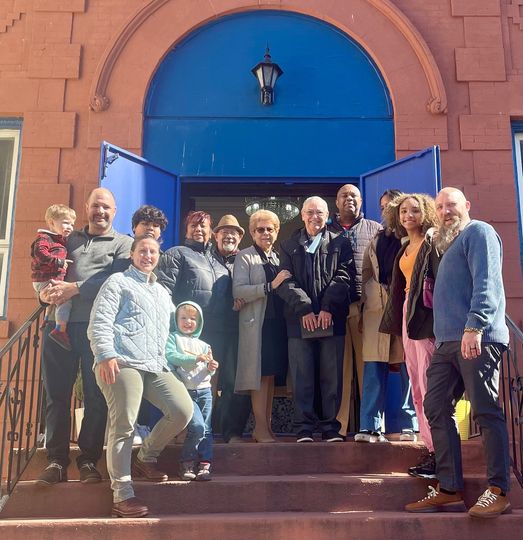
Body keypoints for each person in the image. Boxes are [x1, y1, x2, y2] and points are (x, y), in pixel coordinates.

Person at [406, 188, 511, 518]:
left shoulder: (479, 232)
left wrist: (475, 326)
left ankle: (498, 489)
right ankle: (449, 487)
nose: (445, 210)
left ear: (466, 206)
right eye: (439, 206)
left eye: (451, 204)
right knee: (435, 406)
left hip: (476, 336)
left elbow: (487, 282)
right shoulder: (443, 244)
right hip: (446, 341)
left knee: (484, 410)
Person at [88, 236, 193, 518]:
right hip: (121, 361)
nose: (148, 255)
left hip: (155, 365)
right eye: (142, 251)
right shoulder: (117, 283)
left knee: (182, 410)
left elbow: (176, 330)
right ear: (132, 254)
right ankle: (122, 495)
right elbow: (100, 321)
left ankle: (145, 458)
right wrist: (106, 354)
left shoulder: (161, 291)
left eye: (153, 251)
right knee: (124, 423)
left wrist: (196, 354)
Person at [37, 188, 133, 487]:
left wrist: (75, 287)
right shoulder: (67, 239)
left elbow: (115, 280)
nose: (100, 212)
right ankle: (56, 460)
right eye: (95, 206)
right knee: (56, 395)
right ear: (86, 208)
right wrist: (42, 294)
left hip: (97, 331)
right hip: (58, 327)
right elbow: (45, 266)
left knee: (96, 397)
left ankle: (89, 460)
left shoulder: (123, 244)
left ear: (114, 211)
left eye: (105, 207)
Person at [278, 197, 354, 442]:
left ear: (327, 215)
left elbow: (345, 276)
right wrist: (306, 309)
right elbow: (285, 281)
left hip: (332, 320)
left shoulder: (341, 243)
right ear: (302, 215)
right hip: (299, 321)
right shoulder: (288, 245)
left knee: (331, 376)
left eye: (319, 212)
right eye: (310, 212)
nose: (314, 217)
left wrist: (327, 308)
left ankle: (331, 427)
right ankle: (304, 428)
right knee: (302, 376)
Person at [380, 193, 438, 477]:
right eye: (403, 211)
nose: (408, 216)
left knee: (429, 384)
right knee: (414, 383)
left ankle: (440, 452)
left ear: (425, 213)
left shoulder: (433, 241)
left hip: (425, 317)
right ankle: (429, 447)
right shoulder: (404, 246)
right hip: (406, 315)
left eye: (415, 210)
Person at [355, 190, 418, 443]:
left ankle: (409, 425)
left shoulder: (412, 239)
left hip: (404, 311)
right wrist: (363, 308)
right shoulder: (376, 239)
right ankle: (370, 426)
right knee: (373, 368)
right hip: (376, 313)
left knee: (407, 370)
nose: (387, 211)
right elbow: (366, 274)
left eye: (393, 206)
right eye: (383, 207)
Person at [233, 210, 290, 443]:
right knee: (258, 376)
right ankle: (259, 427)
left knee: (269, 376)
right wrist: (269, 286)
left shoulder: (277, 257)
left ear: (276, 232)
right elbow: (239, 290)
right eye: (260, 229)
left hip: (277, 324)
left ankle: (265, 426)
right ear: (252, 233)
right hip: (257, 324)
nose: (265, 233)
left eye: (270, 229)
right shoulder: (245, 257)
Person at [328, 184, 381, 435]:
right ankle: (339, 427)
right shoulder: (325, 231)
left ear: (361, 201)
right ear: (336, 202)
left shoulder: (375, 229)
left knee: (368, 369)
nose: (349, 199)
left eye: (354, 196)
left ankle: (370, 426)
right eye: (344, 196)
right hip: (334, 310)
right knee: (338, 370)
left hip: (366, 308)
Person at [157, 211, 231, 357]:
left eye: (203, 226)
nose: (198, 229)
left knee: (212, 371)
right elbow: (164, 293)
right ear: (186, 231)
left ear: (210, 232)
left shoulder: (219, 263)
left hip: (217, 330)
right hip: (186, 330)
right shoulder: (176, 254)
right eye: (193, 225)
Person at [210, 215, 252, 443]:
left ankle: (232, 432)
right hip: (210, 330)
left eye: (234, 232)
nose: (229, 235)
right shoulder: (205, 259)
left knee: (235, 383)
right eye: (224, 231)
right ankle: (202, 431)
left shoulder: (246, 261)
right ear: (215, 235)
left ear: (240, 237)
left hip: (239, 330)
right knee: (204, 383)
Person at [166, 301, 218, 481]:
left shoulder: (204, 345)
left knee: (207, 429)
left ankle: (205, 464)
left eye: (193, 318)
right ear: (176, 319)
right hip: (186, 390)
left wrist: (212, 366)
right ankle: (187, 461)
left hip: (205, 390)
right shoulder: (173, 338)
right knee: (197, 426)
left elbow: (208, 368)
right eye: (184, 318)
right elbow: (172, 356)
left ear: (200, 322)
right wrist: (194, 359)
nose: (188, 321)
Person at [31, 204, 76, 350]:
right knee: (64, 300)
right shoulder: (45, 238)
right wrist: (58, 262)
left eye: (72, 224)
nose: (69, 227)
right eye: (65, 222)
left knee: (52, 300)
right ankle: (60, 330)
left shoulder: (58, 240)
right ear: (51, 222)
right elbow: (39, 254)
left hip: (49, 278)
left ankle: (45, 320)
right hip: (45, 278)